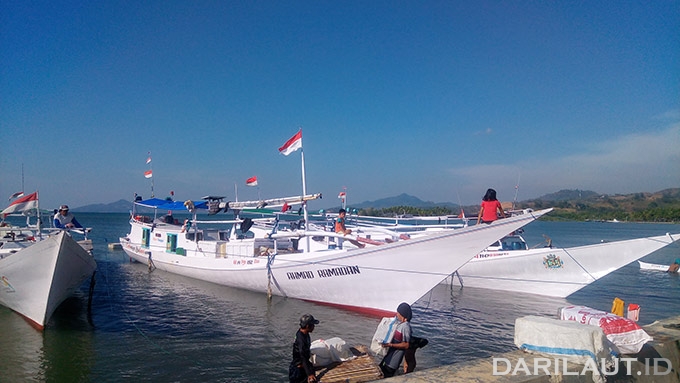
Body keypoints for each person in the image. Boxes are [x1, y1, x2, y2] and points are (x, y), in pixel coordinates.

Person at [379, 302, 412, 377]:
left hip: (393, 362)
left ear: (402, 314)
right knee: (380, 373)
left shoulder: (406, 327)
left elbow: (406, 345)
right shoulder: (399, 323)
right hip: (388, 358)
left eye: (398, 313)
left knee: (385, 377)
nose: (397, 314)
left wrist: (390, 345)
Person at [289, 314, 319, 383]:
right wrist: (309, 374)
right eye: (313, 325)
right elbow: (302, 356)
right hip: (298, 371)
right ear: (307, 326)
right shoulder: (301, 339)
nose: (314, 327)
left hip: (304, 366)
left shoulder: (305, 334)